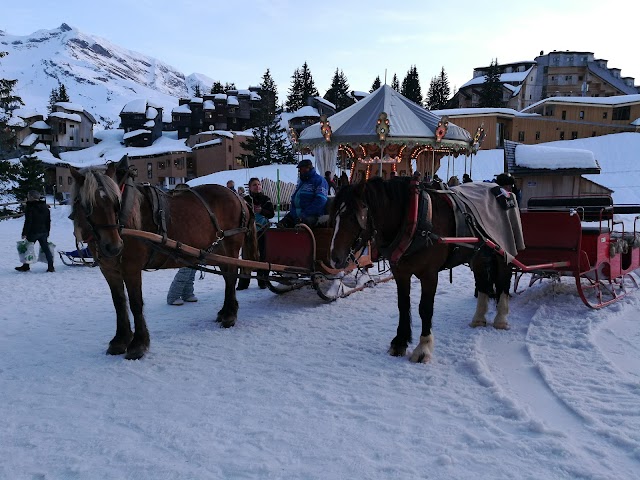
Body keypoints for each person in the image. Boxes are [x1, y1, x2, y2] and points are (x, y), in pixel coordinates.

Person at [237, 177, 275, 290]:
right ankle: (244, 282)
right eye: (254, 185)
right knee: (247, 256)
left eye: (259, 184)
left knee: (263, 256)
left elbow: (271, 214)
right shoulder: (245, 199)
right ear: (249, 187)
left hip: (262, 230)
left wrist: (261, 211)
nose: (257, 186)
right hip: (248, 231)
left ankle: (262, 281)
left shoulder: (266, 199)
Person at [280, 159, 328, 228]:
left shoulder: (319, 180)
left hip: (313, 215)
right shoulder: (302, 181)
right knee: (282, 225)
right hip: (296, 214)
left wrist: (305, 214)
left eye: (301, 169)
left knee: (301, 227)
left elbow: (320, 201)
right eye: (299, 170)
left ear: (308, 168)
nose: (300, 171)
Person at [15, 190, 54, 272]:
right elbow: (48, 221)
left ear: (32, 197)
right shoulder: (45, 207)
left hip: (33, 232)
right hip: (44, 231)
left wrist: (24, 233)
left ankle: (26, 266)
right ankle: (51, 266)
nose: (27, 198)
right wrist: (48, 231)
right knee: (46, 249)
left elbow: (28, 221)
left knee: (27, 247)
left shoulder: (30, 207)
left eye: (28, 196)